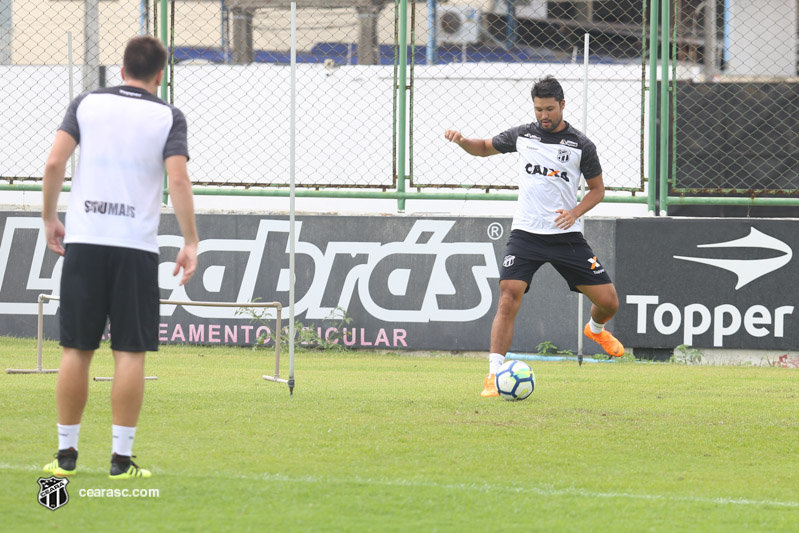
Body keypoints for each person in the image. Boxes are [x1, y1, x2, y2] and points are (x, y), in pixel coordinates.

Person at [41, 35, 198, 477]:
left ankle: (66, 455)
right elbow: (179, 181)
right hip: (135, 248)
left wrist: (50, 217)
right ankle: (120, 460)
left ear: (122, 68)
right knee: (130, 352)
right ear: (160, 75)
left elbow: (54, 164)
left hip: (85, 241)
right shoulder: (168, 115)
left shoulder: (86, 103)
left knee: (76, 348)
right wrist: (190, 241)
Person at [444, 75, 624, 398]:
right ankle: (493, 374)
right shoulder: (523, 135)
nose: (544, 115)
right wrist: (461, 140)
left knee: (609, 302)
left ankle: (595, 330)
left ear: (563, 105)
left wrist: (575, 212)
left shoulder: (582, 145)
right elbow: (484, 148)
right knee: (508, 296)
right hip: (526, 233)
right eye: (539, 109)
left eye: (550, 109)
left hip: (565, 234)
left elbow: (598, 191)